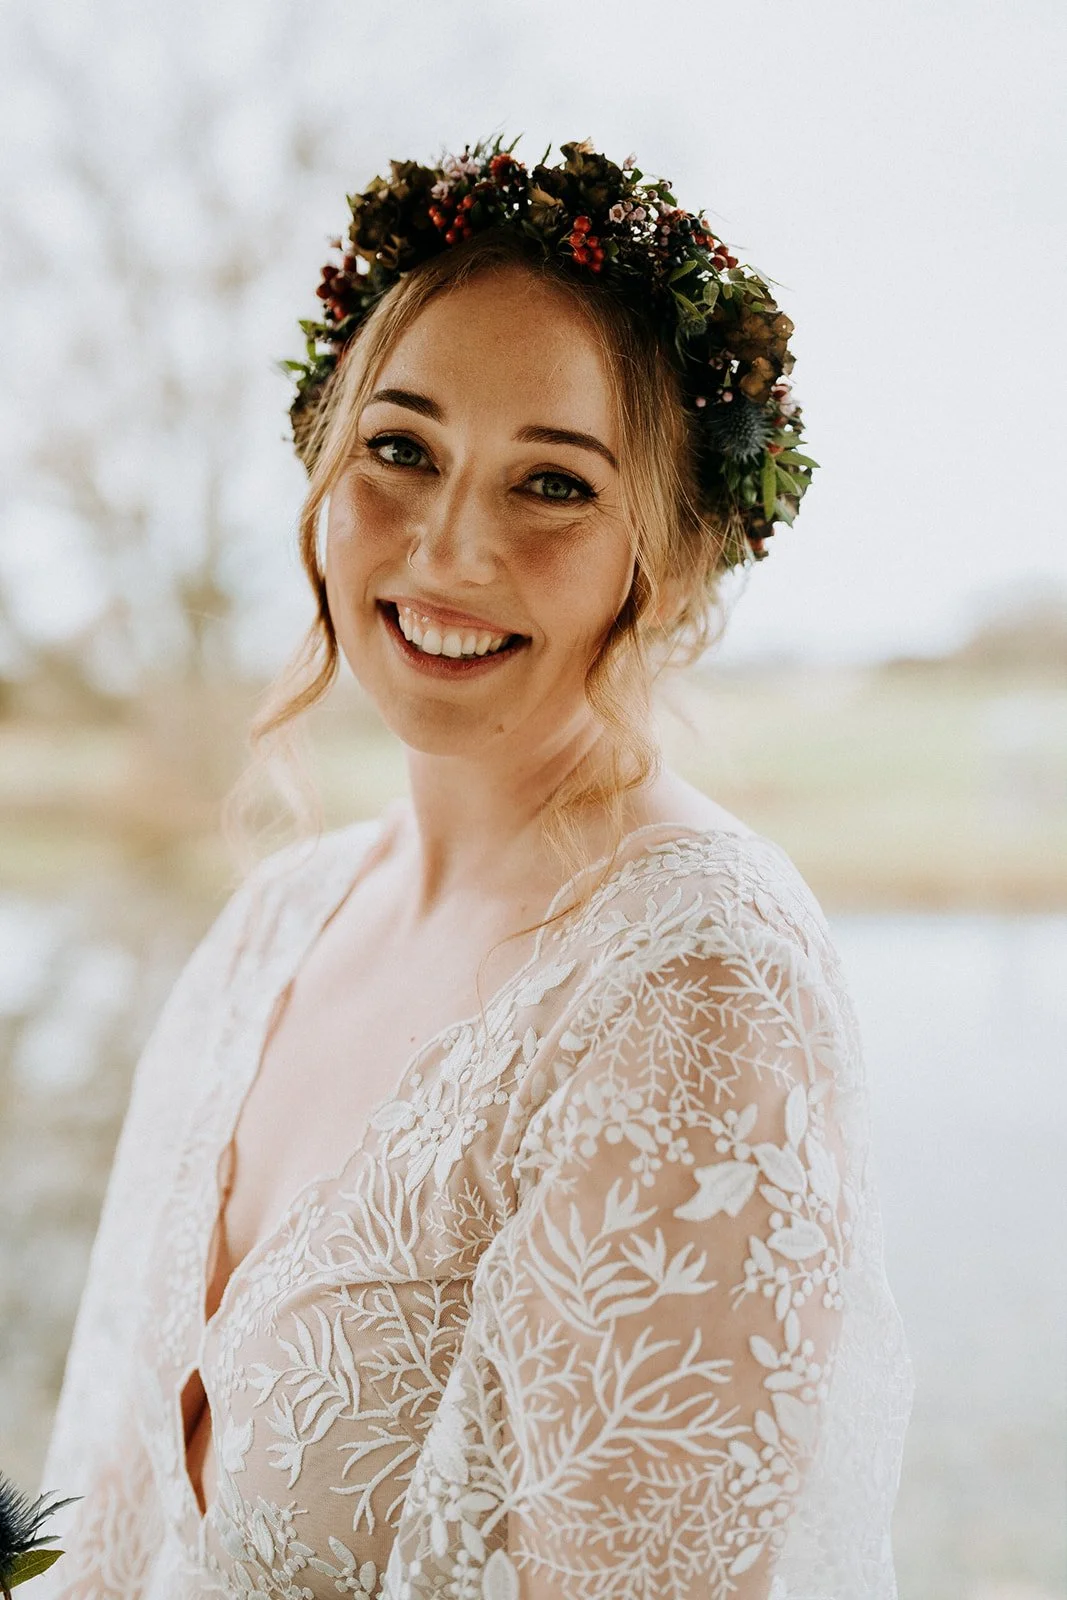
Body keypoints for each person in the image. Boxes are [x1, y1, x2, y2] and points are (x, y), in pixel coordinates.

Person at [35, 138, 914, 1599]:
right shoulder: (276, 924)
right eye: (400, 449)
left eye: (552, 485)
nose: (449, 548)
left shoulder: (695, 986)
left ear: (673, 553)